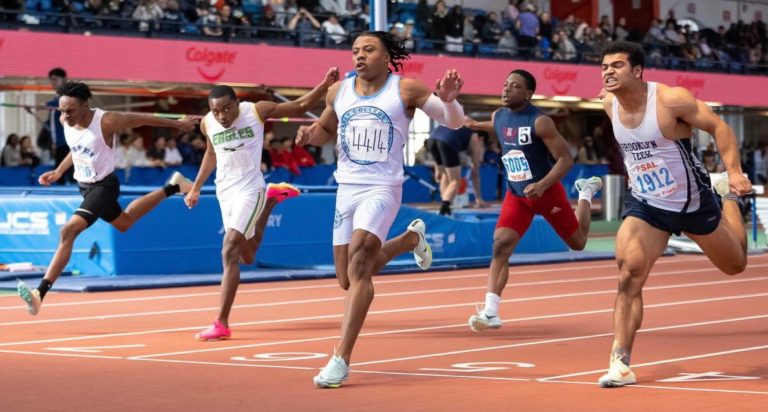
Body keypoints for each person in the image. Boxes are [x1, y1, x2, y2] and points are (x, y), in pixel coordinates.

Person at [295, 30, 466, 388]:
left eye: (369, 49)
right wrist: (311, 135)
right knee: (347, 278)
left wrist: (449, 102)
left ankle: (340, 359)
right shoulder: (337, 91)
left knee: (360, 260)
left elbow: (454, 121)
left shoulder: (406, 89)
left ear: (386, 56)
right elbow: (326, 127)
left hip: (383, 188)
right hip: (347, 190)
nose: (359, 56)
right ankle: (408, 241)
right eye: (355, 50)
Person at [596, 41, 750, 388]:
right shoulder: (608, 103)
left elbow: (720, 129)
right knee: (628, 274)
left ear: (637, 71)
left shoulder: (669, 100)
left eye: (617, 65)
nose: (608, 71)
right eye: (604, 66)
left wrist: (735, 172)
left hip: (693, 203)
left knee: (735, 264)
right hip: (647, 204)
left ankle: (727, 198)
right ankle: (620, 362)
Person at [17, 81, 198, 315]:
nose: (65, 115)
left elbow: (141, 118)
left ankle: (39, 293)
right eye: (62, 110)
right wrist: (59, 172)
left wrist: (178, 125)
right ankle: (175, 187)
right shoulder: (65, 121)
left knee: (68, 231)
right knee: (125, 221)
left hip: (104, 186)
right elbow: (76, 147)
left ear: (84, 105)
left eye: (70, 110)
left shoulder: (107, 121)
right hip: (84, 187)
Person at [184, 68, 339, 341]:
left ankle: (221, 323)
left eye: (226, 110)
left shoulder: (256, 110)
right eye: (216, 111)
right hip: (225, 191)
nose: (222, 116)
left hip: (249, 189)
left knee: (229, 249)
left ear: (237, 103)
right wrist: (196, 187)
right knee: (247, 256)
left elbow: (301, 105)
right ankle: (270, 202)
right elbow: (211, 153)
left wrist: (324, 84)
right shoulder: (208, 123)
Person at [464, 69, 603, 333]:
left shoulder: (541, 122)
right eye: (505, 84)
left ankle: (585, 193)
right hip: (517, 195)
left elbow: (565, 159)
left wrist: (542, 185)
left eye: (514, 86)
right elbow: (496, 127)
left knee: (578, 243)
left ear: (528, 93)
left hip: (546, 193)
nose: (506, 89)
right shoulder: (499, 115)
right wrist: (470, 123)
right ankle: (490, 311)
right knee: (500, 246)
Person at [427, 125, 486, 215]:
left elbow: (441, 137)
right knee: (455, 181)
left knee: (445, 175)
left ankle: (445, 203)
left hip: (432, 139)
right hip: (447, 141)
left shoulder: (465, 132)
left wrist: (437, 167)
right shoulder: (477, 140)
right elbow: (475, 173)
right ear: (482, 139)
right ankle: (444, 207)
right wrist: (478, 198)